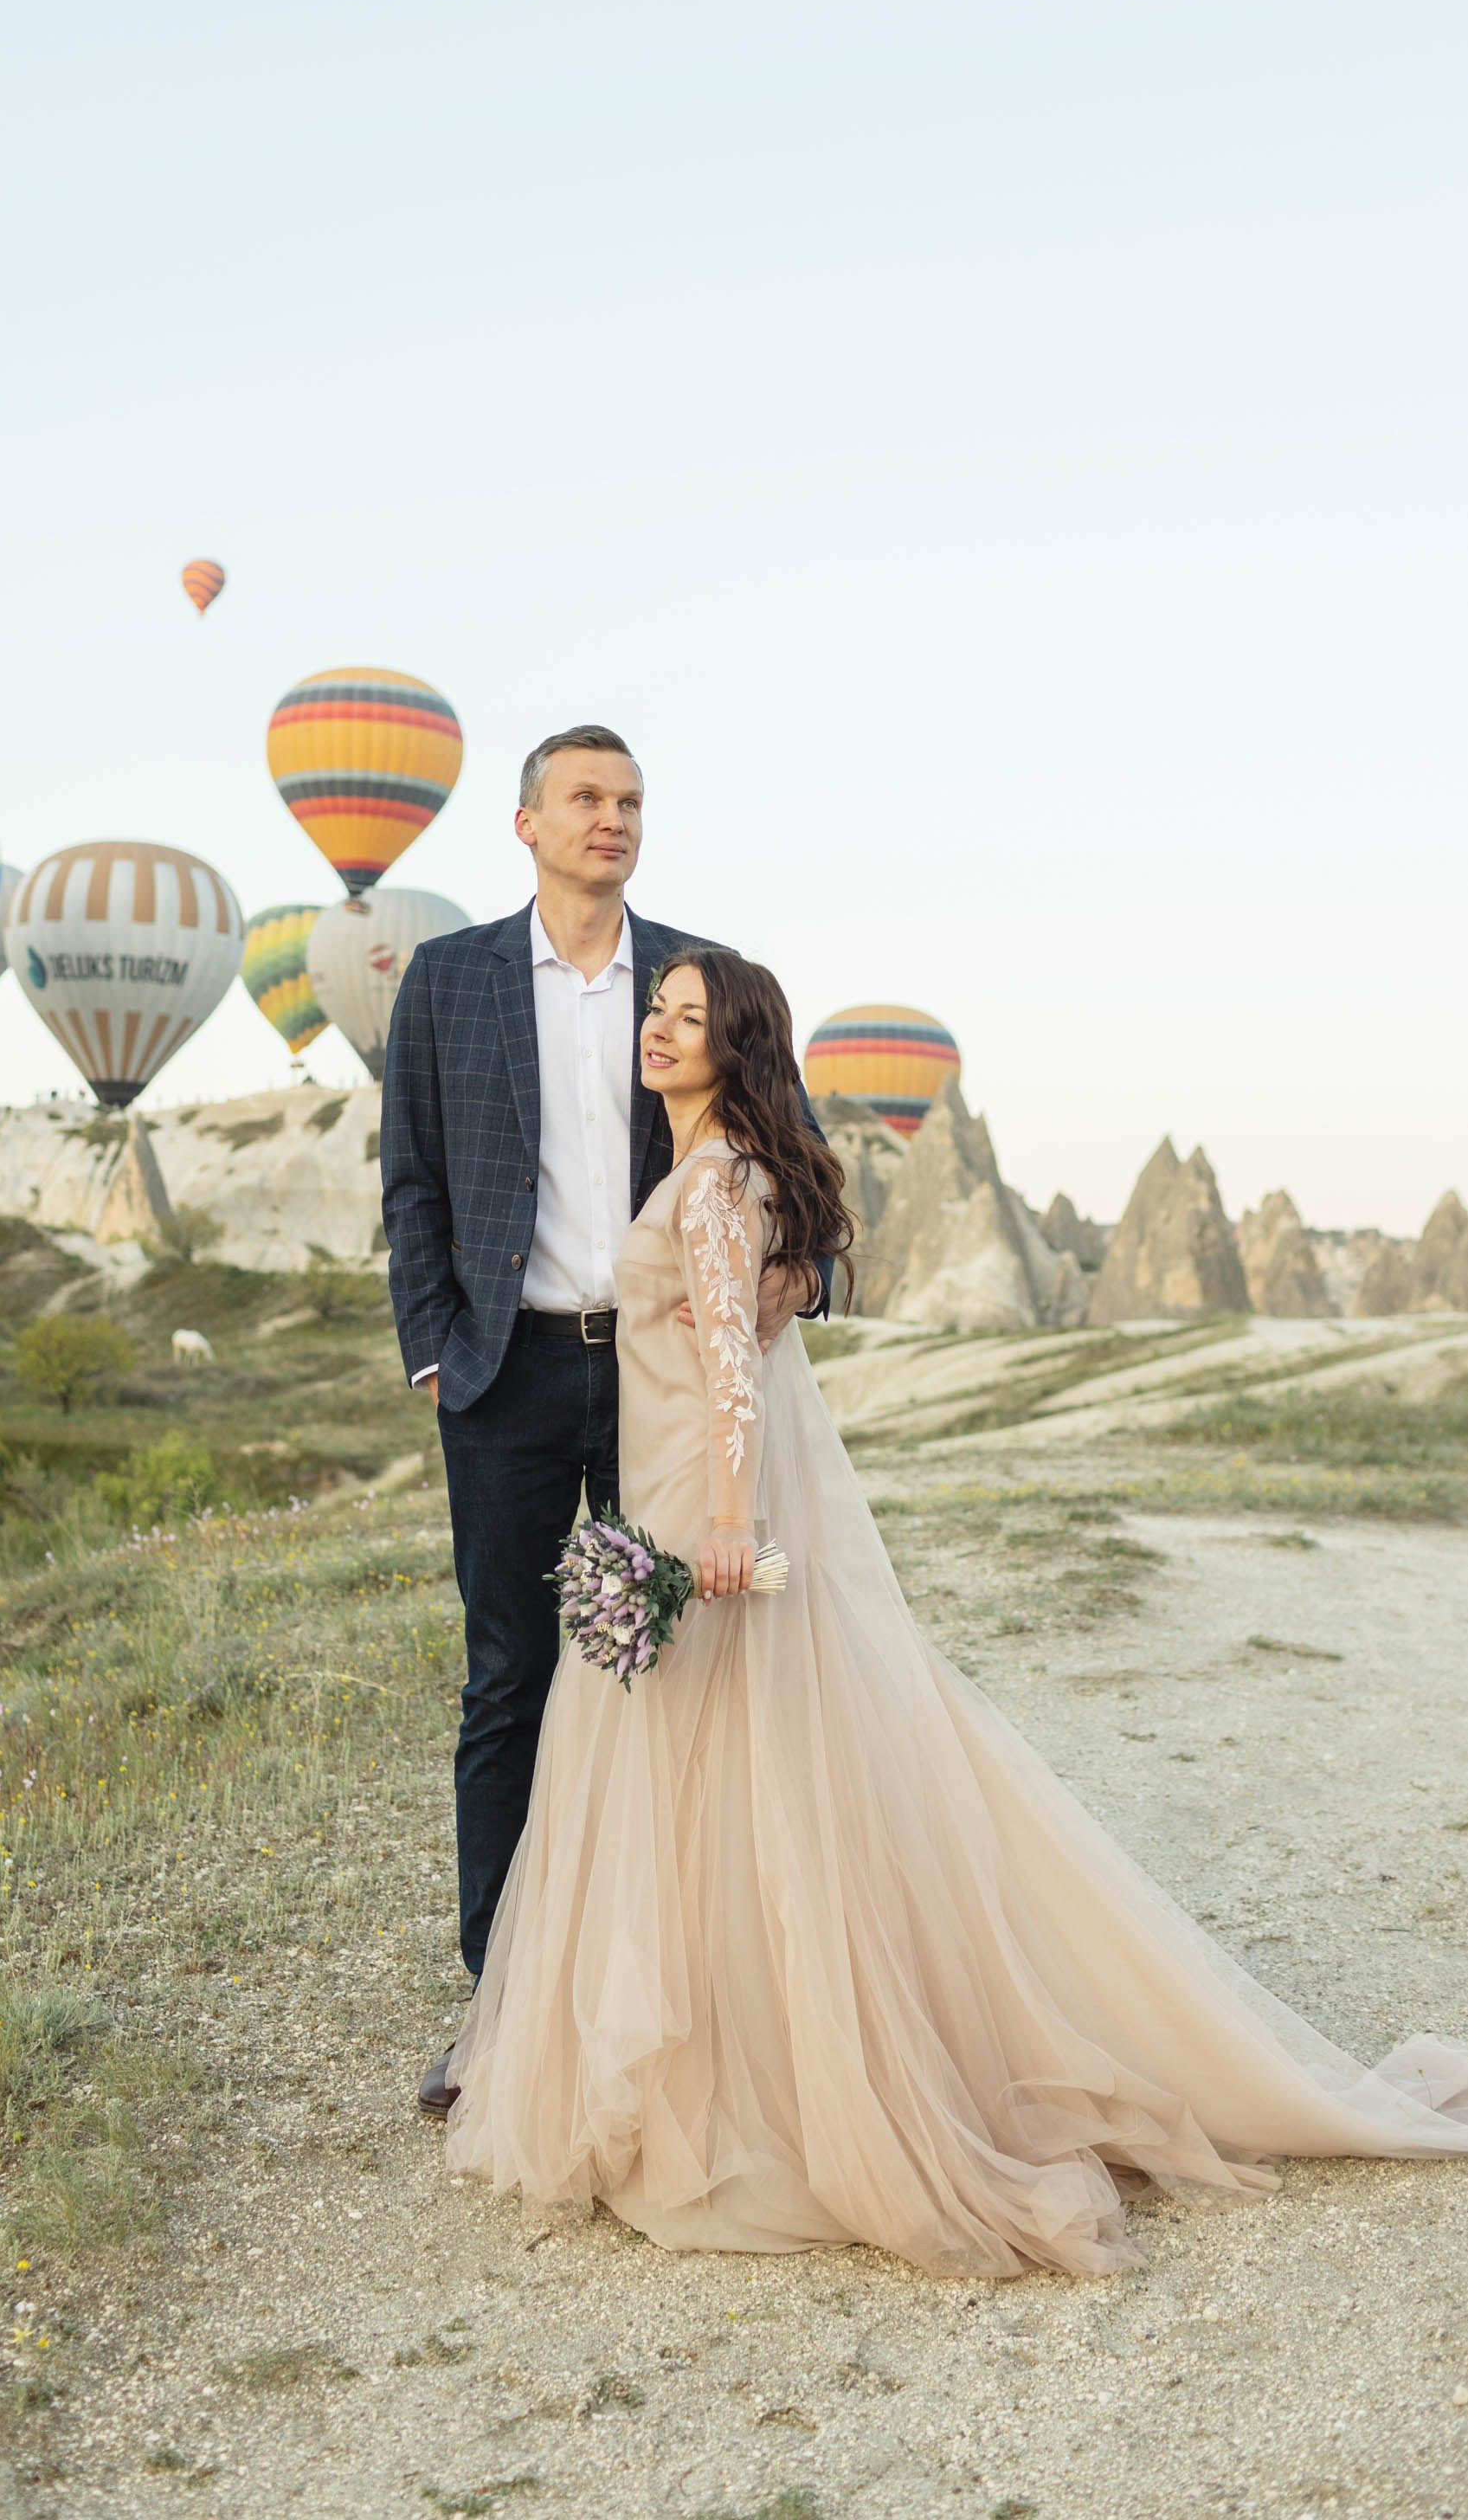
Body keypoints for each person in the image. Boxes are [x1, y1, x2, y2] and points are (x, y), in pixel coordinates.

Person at [441, 946, 1468, 2277]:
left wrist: (728, 1526)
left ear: (734, 1048)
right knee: (723, 1776)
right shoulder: (713, 1170)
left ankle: (754, 2073)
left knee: (719, 1771)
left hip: (698, 1503)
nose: (658, 1030)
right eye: (655, 1008)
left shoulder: (712, 1181)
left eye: (687, 1018)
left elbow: (731, 1365)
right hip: (670, 1490)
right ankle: (731, 2044)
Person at [379, 726, 833, 2118]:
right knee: (511, 1683)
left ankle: (691, 2002)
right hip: (505, 1375)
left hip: (662, 1394)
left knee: (679, 1682)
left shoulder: (696, 978)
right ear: (524, 823)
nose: (611, 819)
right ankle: (504, 2015)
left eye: (630, 800)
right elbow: (412, 1179)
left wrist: (786, 1288)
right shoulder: (448, 979)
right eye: (584, 798)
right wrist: (434, 1353)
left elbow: (793, 1158)